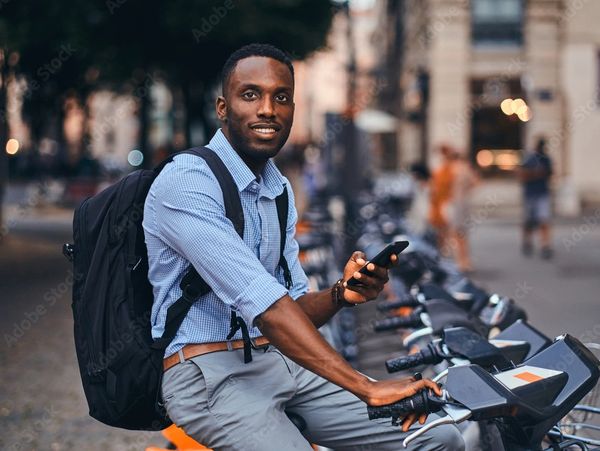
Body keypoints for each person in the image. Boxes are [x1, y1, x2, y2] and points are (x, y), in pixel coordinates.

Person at [143, 44, 464, 450]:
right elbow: (263, 304)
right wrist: (365, 386)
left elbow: (291, 305)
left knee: (435, 437)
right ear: (222, 108)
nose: (267, 109)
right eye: (250, 95)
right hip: (207, 375)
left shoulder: (276, 189)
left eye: (281, 97)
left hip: (278, 361)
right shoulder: (188, 182)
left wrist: (339, 295)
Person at [519, 137, 553, 259]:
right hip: (531, 194)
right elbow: (522, 174)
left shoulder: (546, 159)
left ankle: (545, 245)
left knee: (544, 220)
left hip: (542, 193)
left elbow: (550, 173)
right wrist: (536, 173)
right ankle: (527, 242)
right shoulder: (529, 159)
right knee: (529, 220)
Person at [447, 152, 478, 273]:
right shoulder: (466, 168)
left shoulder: (453, 168)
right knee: (462, 233)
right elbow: (475, 182)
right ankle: (465, 261)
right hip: (464, 203)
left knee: (456, 233)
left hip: (456, 204)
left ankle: (461, 261)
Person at [428, 144, 455, 255]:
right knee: (440, 227)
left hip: (445, 201)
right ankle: (442, 247)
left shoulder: (449, 169)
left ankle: (444, 248)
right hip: (439, 201)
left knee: (445, 227)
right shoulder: (440, 170)